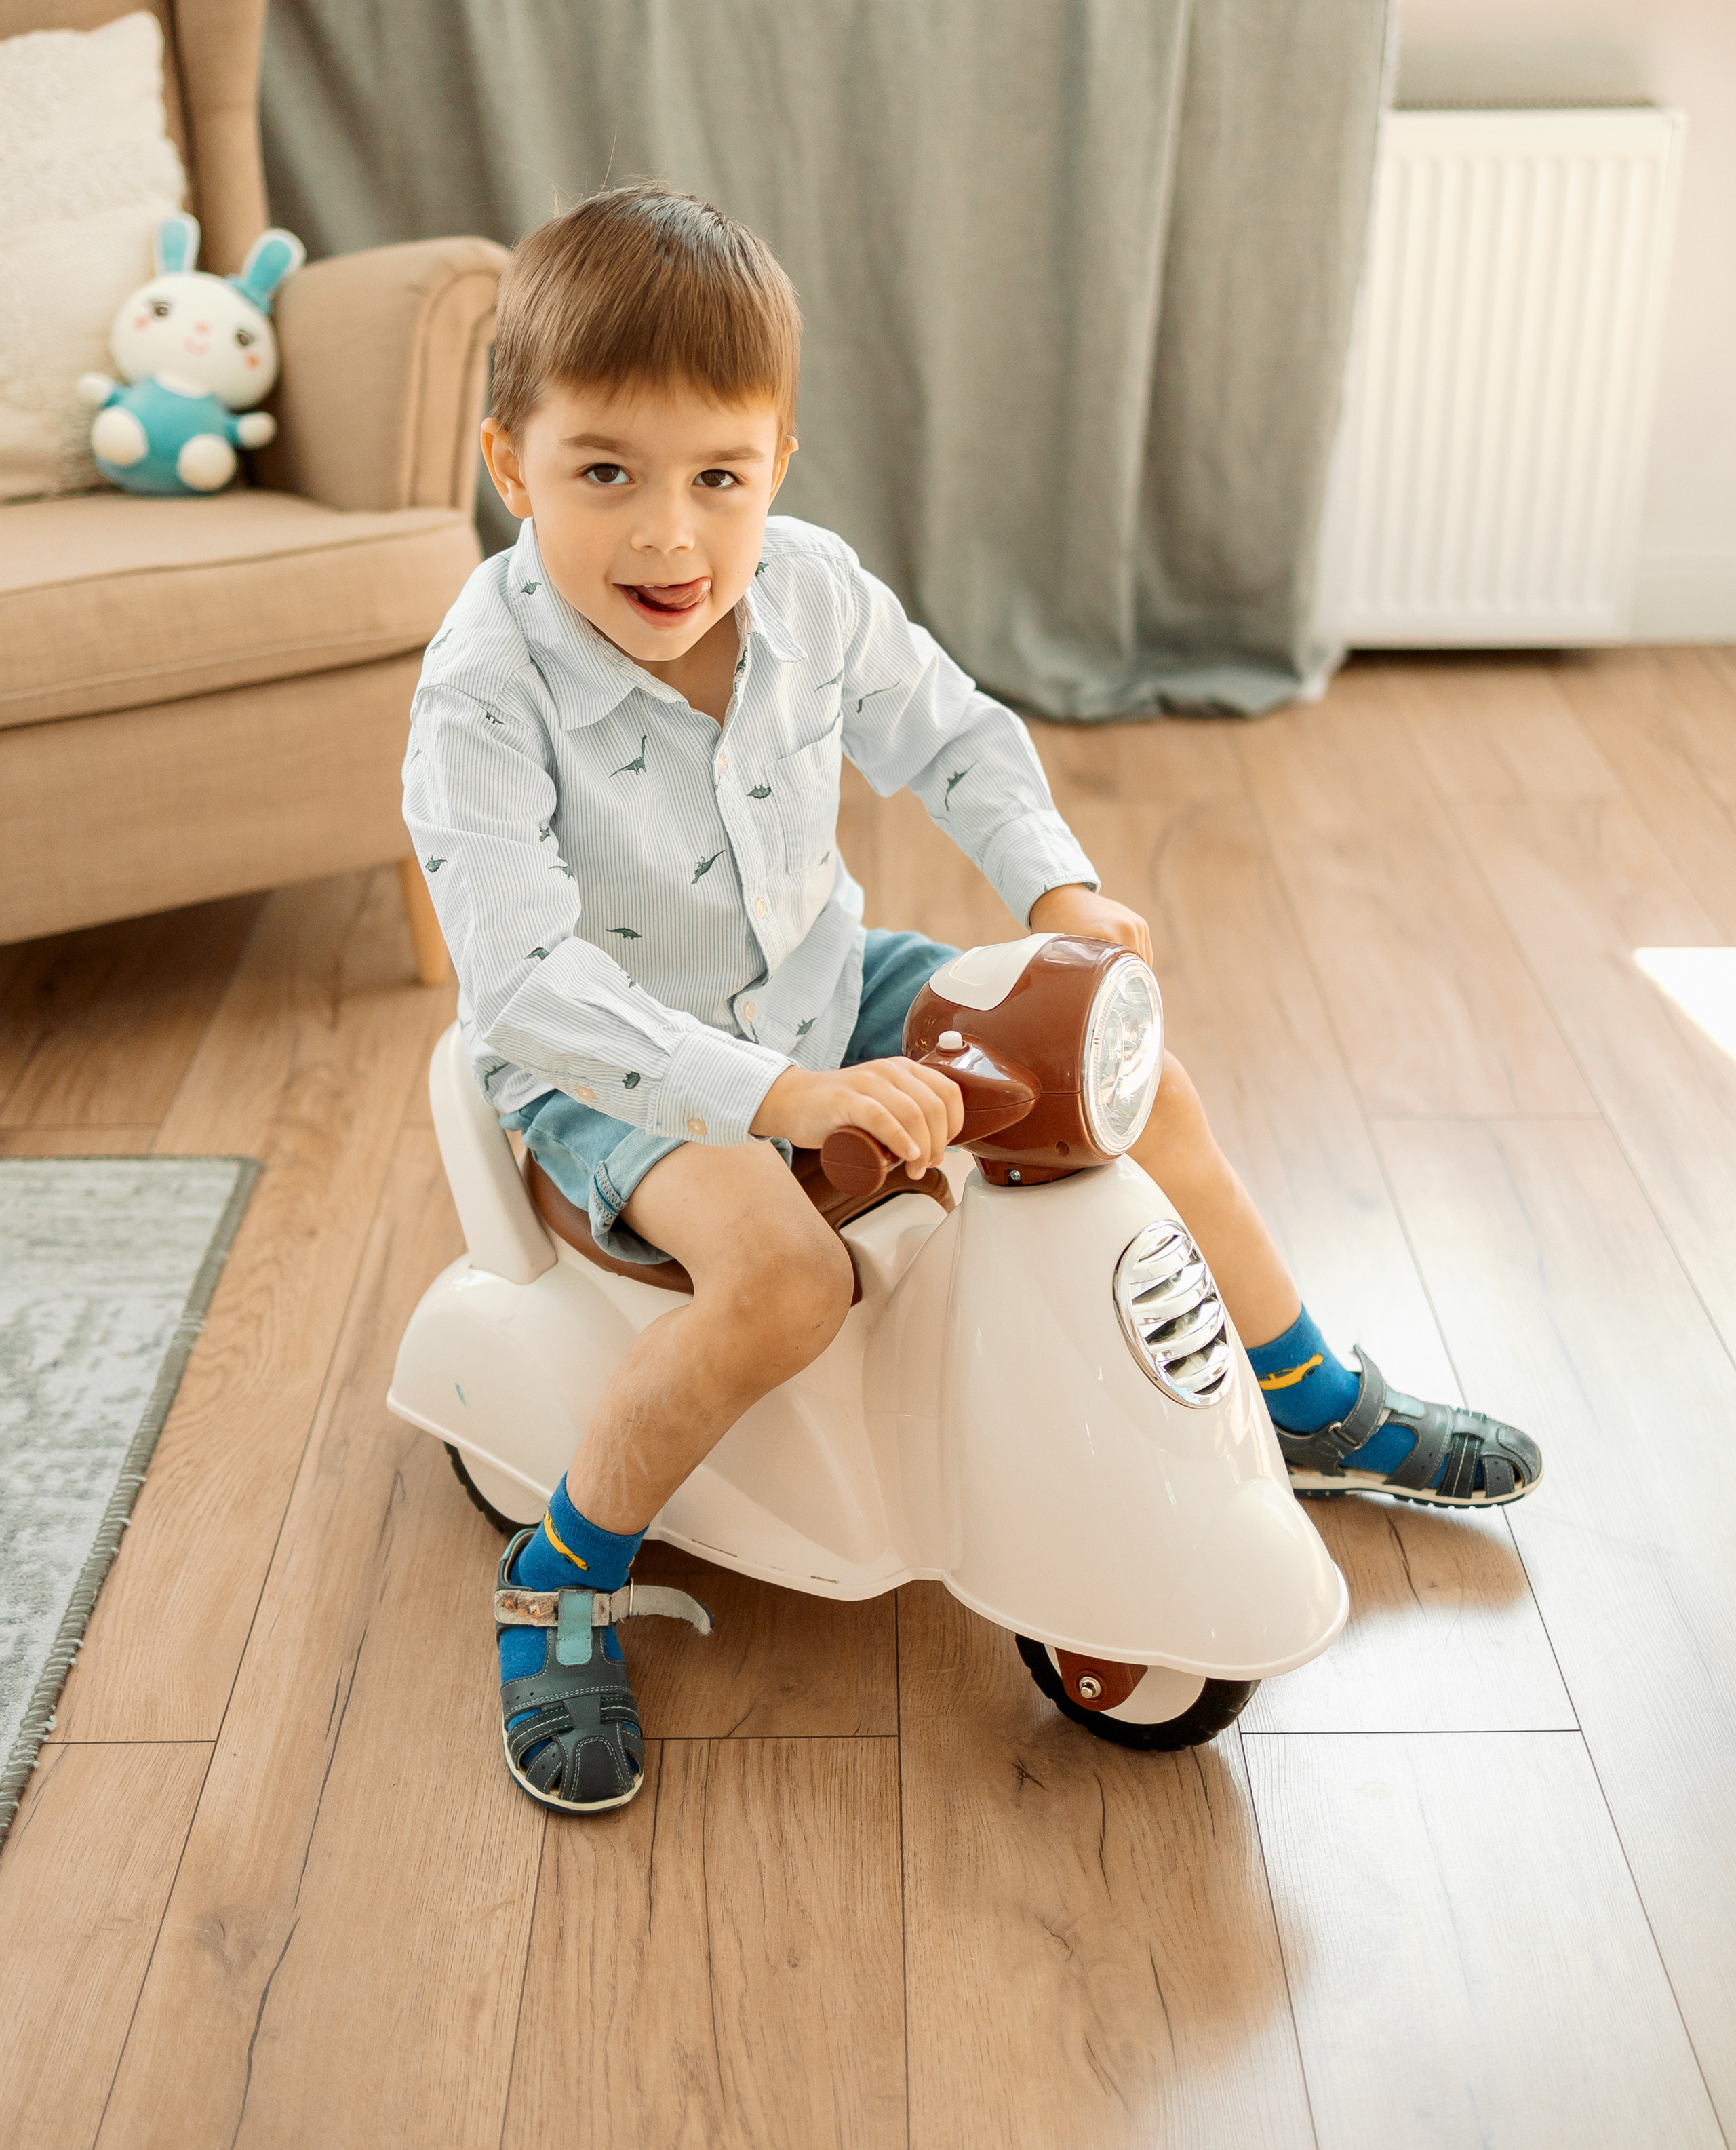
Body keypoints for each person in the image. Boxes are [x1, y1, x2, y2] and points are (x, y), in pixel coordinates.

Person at [404, 185, 1543, 1816]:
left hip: (821, 982)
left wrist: (1055, 889)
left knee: (1139, 1088)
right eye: (605, 476)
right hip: (617, 1060)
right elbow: (522, 984)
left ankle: (1303, 1397)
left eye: (716, 479)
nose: (669, 536)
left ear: (777, 461)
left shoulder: (802, 591)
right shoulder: (483, 692)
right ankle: (563, 1569)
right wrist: (773, 1102)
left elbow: (950, 736)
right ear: (510, 464)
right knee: (788, 1281)